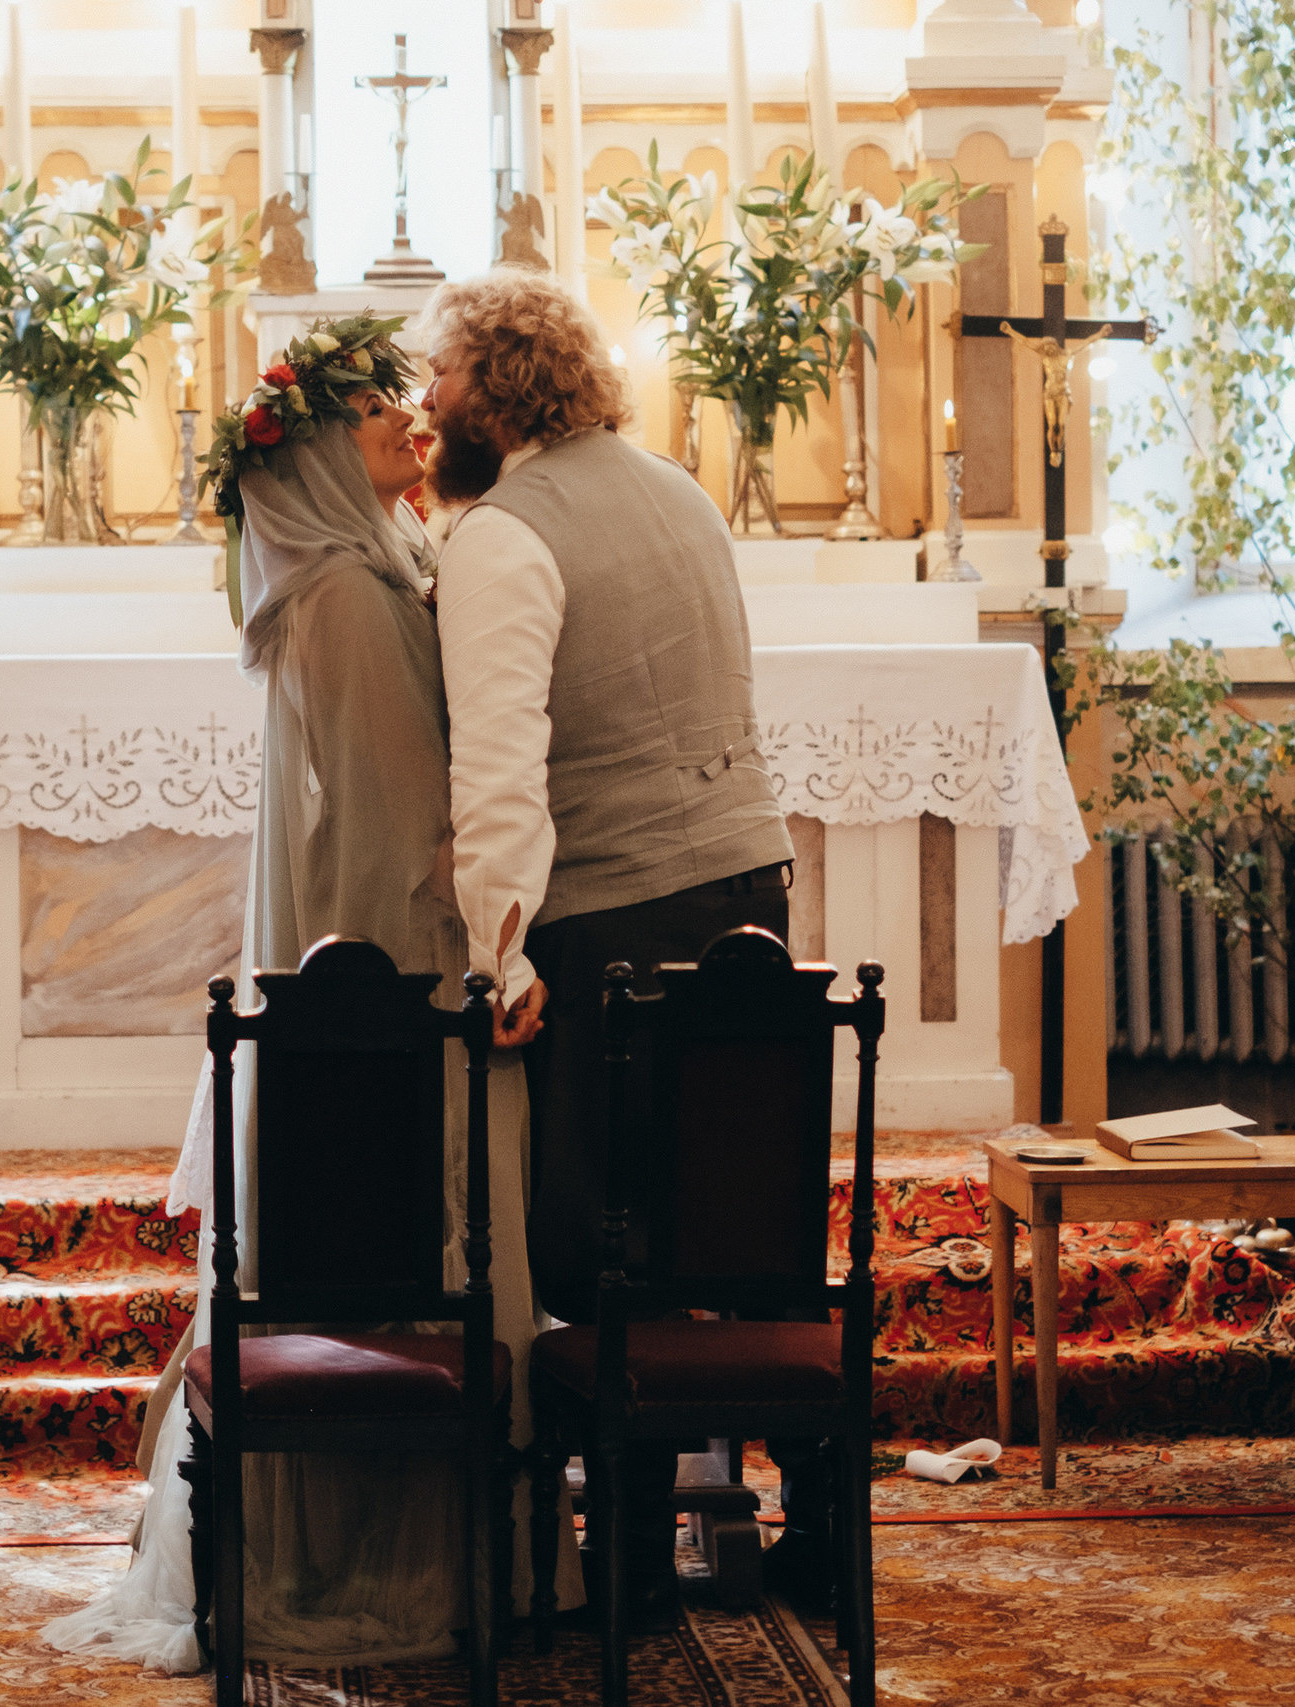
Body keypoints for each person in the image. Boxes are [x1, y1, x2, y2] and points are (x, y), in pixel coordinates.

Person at [43, 316, 578, 1672]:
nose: (406, 416)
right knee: (406, 1263)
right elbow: (403, 833)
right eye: (369, 408)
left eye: (405, 394)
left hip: (379, 991)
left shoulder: (365, 568)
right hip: (394, 998)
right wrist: (486, 964)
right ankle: (373, 1552)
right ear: (316, 455)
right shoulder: (344, 595)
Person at [415, 269, 802, 1625]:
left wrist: (503, 955)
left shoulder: (504, 535)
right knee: (732, 1202)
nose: (429, 402)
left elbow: (501, 769)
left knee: (605, 1234)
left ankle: (631, 1549)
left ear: (500, 386)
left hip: (619, 914)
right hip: (750, 880)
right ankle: (765, 1519)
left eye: (445, 376)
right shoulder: (680, 488)